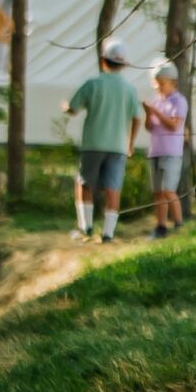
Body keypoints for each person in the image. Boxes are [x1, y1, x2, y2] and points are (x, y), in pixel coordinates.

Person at [65, 38, 142, 242]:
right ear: (124, 64)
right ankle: (108, 233)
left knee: (84, 184)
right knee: (113, 188)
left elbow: (73, 108)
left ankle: (86, 228)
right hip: (118, 146)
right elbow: (137, 118)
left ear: (103, 61)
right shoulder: (130, 89)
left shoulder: (93, 84)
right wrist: (130, 143)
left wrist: (66, 107)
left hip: (93, 143)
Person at [140, 58, 191, 237]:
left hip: (171, 153)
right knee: (157, 193)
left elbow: (173, 126)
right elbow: (150, 127)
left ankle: (179, 224)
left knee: (168, 190)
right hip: (155, 150)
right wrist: (148, 114)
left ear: (173, 83)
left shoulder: (179, 102)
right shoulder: (157, 101)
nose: (159, 87)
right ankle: (160, 227)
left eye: (162, 83)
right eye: (156, 83)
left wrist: (155, 112)